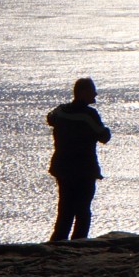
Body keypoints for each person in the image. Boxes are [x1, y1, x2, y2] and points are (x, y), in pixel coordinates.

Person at [46, 77, 111, 241]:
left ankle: (57, 243)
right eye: (92, 90)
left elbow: (50, 118)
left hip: (62, 167)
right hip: (83, 169)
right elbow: (103, 136)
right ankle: (78, 244)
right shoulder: (88, 115)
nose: (95, 93)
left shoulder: (61, 111)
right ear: (82, 93)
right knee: (82, 211)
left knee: (65, 210)